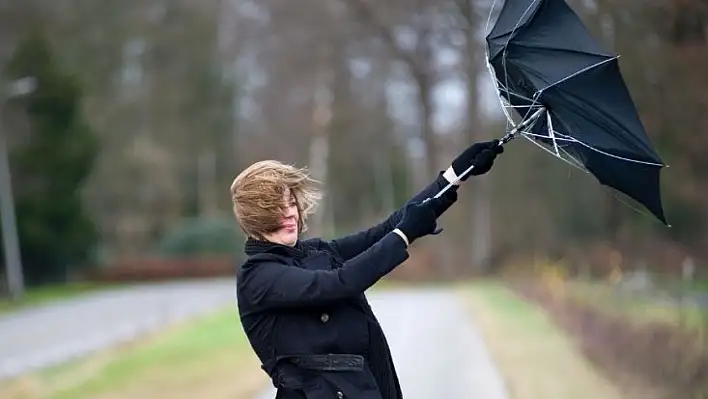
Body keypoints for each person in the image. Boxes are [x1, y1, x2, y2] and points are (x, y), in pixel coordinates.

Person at [231, 140, 504, 399]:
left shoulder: (315, 252)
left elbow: (384, 230)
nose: (289, 213)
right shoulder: (257, 277)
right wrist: (403, 235)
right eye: (277, 208)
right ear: (256, 217)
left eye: (291, 203)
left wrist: (454, 177)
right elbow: (337, 284)